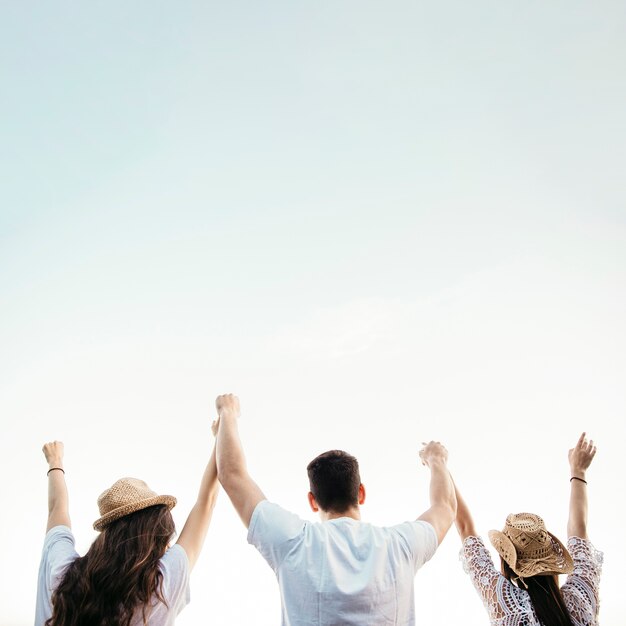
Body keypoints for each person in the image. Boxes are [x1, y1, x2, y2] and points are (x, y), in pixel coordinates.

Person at [214, 393, 457, 626]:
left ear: (312, 501)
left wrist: (229, 413)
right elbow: (445, 507)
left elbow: (232, 475)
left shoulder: (294, 543)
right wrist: (436, 459)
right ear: (361, 493)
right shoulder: (400, 545)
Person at [36, 422, 220, 626]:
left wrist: (55, 461)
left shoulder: (62, 573)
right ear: (155, 538)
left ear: (107, 534)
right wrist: (222, 437)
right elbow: (206, 502)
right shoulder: (161, 586)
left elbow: (56, 508)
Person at [453, 432, 602, 626]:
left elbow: (465, 527)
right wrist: (578, 471)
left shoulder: (508, 605)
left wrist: (439, 463)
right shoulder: (582, 599)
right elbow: (578, 528)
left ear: (509, 564)